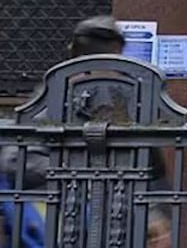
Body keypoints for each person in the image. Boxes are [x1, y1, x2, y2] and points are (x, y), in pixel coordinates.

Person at [0, 16, 171, 248]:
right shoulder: (54, 97)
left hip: (111, 220)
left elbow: (149, 169)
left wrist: (152, 215)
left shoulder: (126, 99)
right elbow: (17, 160)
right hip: (57, 216)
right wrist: (86, 178)